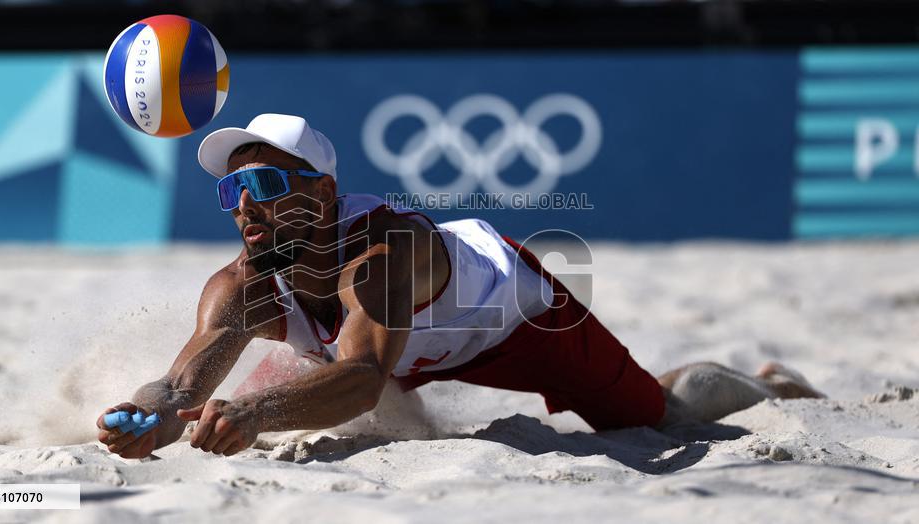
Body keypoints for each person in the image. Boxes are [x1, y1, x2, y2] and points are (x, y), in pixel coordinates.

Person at [96, 113, 823, 459]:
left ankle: (764, 386)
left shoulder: (380, 252)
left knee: (652, 417)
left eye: (261, 184)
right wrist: (145, 413)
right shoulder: (241, 282)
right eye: (231, 193)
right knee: (272, 376)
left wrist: (253, 412)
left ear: (320, 195)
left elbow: (358, 379)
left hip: (515, 319)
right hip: (391, 348)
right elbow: (182, 380)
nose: (244, 205)